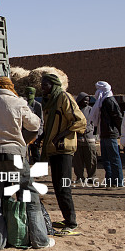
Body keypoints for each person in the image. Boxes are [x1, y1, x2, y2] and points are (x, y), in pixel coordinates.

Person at [0, 77, 52, 249]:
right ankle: (40, 240)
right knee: (29, 194)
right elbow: (35, 124)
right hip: (16, 156)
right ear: (11, 88)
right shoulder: (18, 102)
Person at [39, 73, 86, 234]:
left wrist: (60, 135)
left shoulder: (64, 98)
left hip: (64, 148)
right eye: (41, 84)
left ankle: (72, 223)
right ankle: (67, 218)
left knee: (64, 186)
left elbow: (80, 121)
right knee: (58, 186)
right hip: (53, 149)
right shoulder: (49, 102)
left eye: (45, 84)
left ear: (54, 85)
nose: (42, 87)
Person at [88, 81, 124, 188]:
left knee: (114, 158)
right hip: (103, 133)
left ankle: (117, 182)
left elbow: (118, 118)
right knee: (106, 158)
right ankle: (109, 180)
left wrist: (122, 133)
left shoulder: (109, 101)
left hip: (110, 134)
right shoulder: (102, 102)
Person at [73, 93, 98, 182]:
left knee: (91, 159)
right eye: (84, 100)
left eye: (88, 100)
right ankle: (79, 177)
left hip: (89, 138)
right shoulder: (75, 111)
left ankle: (92, 177)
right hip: (77, 139)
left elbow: (93, 123)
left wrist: (86, 129)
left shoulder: (91, 110)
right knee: (78, 161)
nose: (86, 102)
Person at [23, 87, 44, 163]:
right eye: (28, 93)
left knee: (35, 151)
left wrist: (39, 134)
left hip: (35, 132)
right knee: (25, 152)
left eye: (31, 93)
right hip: (25, 132)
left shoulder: (38, 106)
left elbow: (41, 121)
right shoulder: (23, 104)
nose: (29, 95)